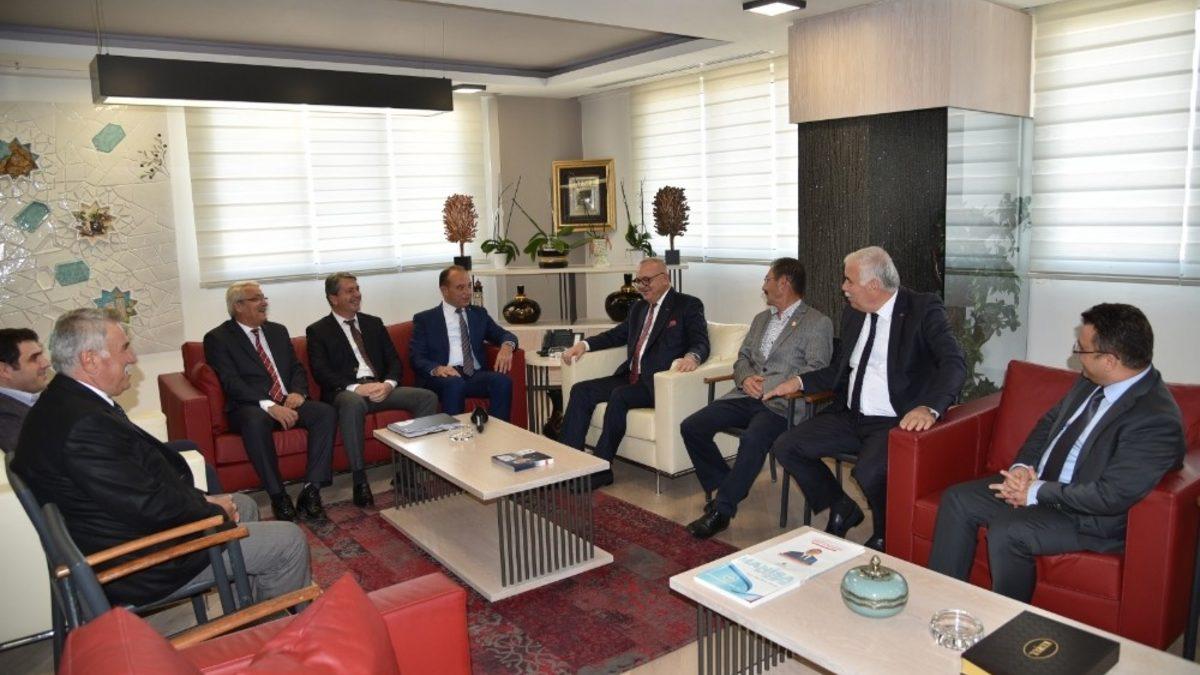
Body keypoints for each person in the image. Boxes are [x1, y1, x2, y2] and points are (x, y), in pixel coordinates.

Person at [12, 309, 310, 606]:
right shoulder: (84, 425)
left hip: (124, 532)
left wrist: (203, 501)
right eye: (124, 348)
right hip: (139, 563)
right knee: (289, 540)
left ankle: (246, 608)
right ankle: (272, 627)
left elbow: (134, 488)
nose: (132, 358)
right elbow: (146, 505)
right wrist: (208, 509)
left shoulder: (66, 402)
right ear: (90, 360)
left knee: (242, 504)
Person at [928, 303, 1185, 601]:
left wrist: (1036, 492)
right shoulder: (1092, 381)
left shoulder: (1155, 419)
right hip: (1043, 485)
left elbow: (1110, 496)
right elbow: (1049, 423)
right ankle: (942, 600)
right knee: (958, 499)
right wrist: (1021, 468)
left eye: (1082, 349)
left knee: (1008, 530)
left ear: (1110, 360)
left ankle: (1009, 619)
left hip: (1086, 515)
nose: (1075, 354)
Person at [768, 246, 965, 551]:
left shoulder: (922, 309)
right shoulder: (854, 314)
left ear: (873, 285)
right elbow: (840, 369)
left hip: (895, 419)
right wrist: (799, 381)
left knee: (869, 472)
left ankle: (886, 533)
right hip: (850, 415)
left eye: (849, 281)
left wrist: (929, 408)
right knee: (787, 446)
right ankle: (841, 506)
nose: (843, 287)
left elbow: (954, 363)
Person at [681, 258, 833, 538]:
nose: (763, 286)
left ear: (784, 283)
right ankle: (727, 486)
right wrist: (745, 379)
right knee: (692, 426)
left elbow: (817, 370)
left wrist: (769, 386)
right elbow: (742, 358)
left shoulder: (817, 323)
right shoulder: (761, 319)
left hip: (783, 405)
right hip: (745, 395)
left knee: (753, 439)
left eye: (767, 279)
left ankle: (722, 511)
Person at [559, 257, 710, 489]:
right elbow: (616, 335)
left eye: (647, 280)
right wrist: (584, 345)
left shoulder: (687, 305)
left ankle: (601, 469)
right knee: (581, 390)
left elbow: (701, 341)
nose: (642, 286)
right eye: (639, 281)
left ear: (665, 279)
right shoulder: (638, 308)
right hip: (630, 376)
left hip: (657, 383)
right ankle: (569, 464)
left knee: (620, 395)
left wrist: (692, 357)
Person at [204, 281, 335, 521]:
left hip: (287, 400)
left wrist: (298, 392)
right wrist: (269, 405)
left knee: (325, 413)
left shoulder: (278, 331)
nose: (264, 303)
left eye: (263, 297)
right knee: (255, 421)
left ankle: (312, 490)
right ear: (238, 306)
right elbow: (231, 382)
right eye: (256, 299)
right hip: (249, 406)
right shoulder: (218, 338)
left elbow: (296, 368)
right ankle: (278, 495)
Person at [306, 272, 438, 507]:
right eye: (349, 291)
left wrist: (388, 384)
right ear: (333, 298)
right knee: (353, 403)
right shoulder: (318, 331)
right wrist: (357, 388)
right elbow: (321, 372)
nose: (357, 294)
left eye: (357, 289)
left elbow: (394, 361)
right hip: (347, 393)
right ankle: (360, 481)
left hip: (380, 388)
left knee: (426, 398)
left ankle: (406, 473)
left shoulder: (373, 323)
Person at [410, 265, 518, 421]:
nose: (467, 292)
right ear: (444, 290)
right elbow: (416, 357)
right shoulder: (425, 319)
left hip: (474, 374)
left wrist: (507, 346)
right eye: (460, 288)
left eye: (469, 286)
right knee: (455, 384)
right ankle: (453, 433)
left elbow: (504, 335)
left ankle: (498, 433)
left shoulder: (479, 314)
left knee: (502, 382)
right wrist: (437, 369)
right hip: (444, 376)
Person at [0, 328, 51, 452]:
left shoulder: (49, 396)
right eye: (34, 358)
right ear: (4, 370)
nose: (46, 363)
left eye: (42, 354)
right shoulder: (6, 420)